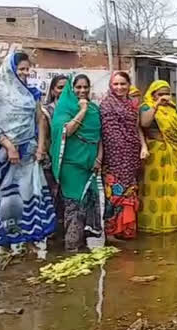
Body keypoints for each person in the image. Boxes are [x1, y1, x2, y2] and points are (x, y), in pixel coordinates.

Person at [0, 52, 55, 247]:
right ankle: (3, 244)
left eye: (27, 69)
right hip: (5, 154)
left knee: (29, 194)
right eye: (21, 69)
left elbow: (39, 120)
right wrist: (8, 146)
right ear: (10, 69)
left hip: (29, 153)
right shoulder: (0, 91)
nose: (25, 73)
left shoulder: (32, 93)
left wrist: (40, 148)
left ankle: (29, 240)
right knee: (6, 195)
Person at [49, 75, 103, 251]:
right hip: (71, 166)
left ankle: (83, 244)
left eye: (85, 87)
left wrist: (99, 158)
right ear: (71, 90)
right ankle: (71, 248)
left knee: (88, 204)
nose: (82, 91)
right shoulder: (64, 110)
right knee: (74, 206)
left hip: (90, 166)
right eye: (78, 87)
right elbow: (66, 131)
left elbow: (99, 137)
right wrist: (82, 110)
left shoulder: (95, 109)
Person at [100, 71, 147, 241]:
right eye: (116, 84)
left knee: (130, 193)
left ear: (129, 85)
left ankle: (127, 230)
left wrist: (143, 146)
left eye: (123, 84)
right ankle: (111, 233)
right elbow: (106, 133)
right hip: (112, 158)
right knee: (113, 194)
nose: (119, 87)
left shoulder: (132, 104)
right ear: (111, 86)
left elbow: (136, 128)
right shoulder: (106, 105)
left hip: (131, 156)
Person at [139, 80, 177, 234]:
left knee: (174, 190)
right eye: (160, 94)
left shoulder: (172, 109)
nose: (165, 97)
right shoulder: (146, 107)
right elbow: (144, 123)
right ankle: (151, 227)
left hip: (173, 152)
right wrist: (156, 104)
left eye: (167, 94)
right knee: (154, 190)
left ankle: (171, 226)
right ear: (153, 95)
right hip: (155, 154)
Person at [40, 74, 68, 233]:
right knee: (53, 196)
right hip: (52, 160)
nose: (63, 91)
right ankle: (52, 232)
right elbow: (44, 137)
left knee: (69, 198)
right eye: (60, 87)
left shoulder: (77, 108)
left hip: (71, 161)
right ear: (53, 90)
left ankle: (69, 230)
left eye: (66, 87)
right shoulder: (47, 110)